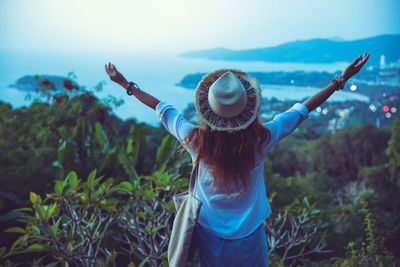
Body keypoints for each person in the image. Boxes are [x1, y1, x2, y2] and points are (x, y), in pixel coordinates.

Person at [105, 53, 369, 266]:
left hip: (209, 234)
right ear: (247, 109)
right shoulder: (260, 140)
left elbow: (162, 107)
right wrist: (341, 80)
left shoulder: (195, 140)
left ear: (209, 112)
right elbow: (301, 109)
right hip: (250, 237)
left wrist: (125, 84)